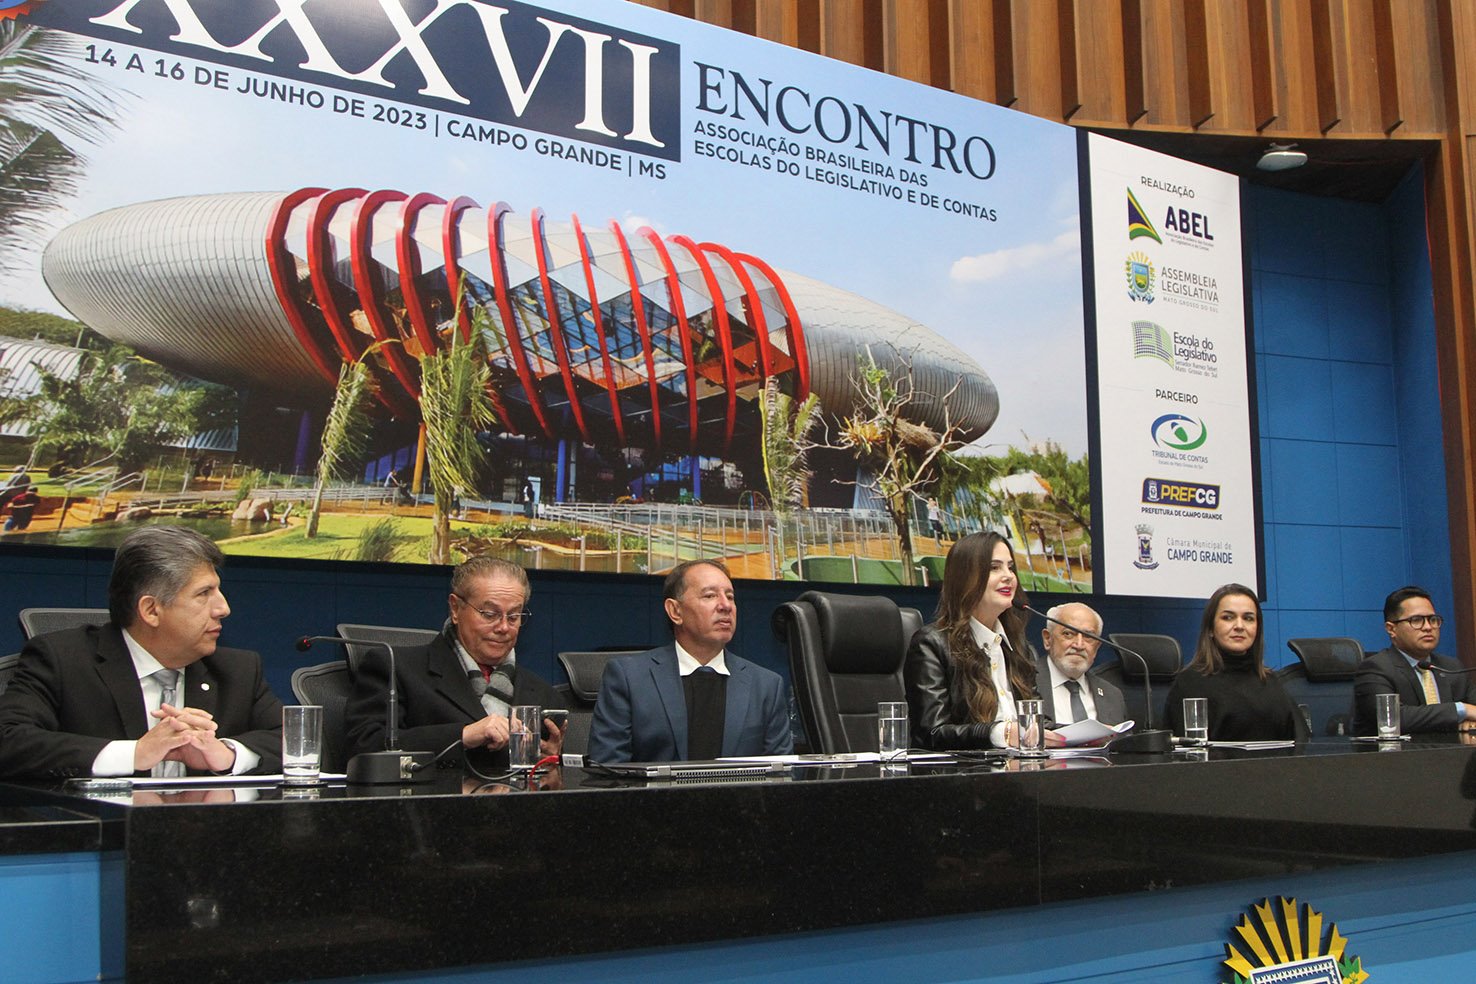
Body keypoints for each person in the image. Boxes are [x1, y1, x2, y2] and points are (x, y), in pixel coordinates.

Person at [0, 526, 283, 778]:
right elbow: (9, 740)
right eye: (203, 593)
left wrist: (228, 754)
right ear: (151, 610)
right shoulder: (63, 660)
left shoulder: (238, 670)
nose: (223, 608)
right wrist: (135, 753)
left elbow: (294, 738)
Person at [344, 557, 565, 770]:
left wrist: (550, 763)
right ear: (455, 609)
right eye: (489, 614)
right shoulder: (395, 668)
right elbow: (363, 747)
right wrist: (463, 735)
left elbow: (554, 783)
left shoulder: (544, 696)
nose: (503, 627)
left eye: (514, 616)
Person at [587, 559, 791, 763]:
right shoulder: (629, 678)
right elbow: (608, 769)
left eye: (730, 596)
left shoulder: (766, 686)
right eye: (710, 595)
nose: (726, 605)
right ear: (675, 611)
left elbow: (782, 773)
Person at [904, 531, 1043, 749]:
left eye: (1010, 567)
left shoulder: (1020, 648)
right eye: (994, 568)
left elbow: (1035, 722)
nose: (1008, 576)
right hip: (967, 769)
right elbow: (931, 734)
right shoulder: (931, 644)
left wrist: (1078, 734)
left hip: (1021, 767)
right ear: (965, 578)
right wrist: (1001, 733)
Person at [1164, 584, 1305, 742]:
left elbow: (1301, 742)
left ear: (1257, 629)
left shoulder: (1271, 682)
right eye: (1228, 617)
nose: (1239, 626)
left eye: (1248, 618)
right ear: (1210, 629)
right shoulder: (1190, 683)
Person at [1353, 585, 1475, 735]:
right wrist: (1462, 710)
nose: (1428, 627)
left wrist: (1471, 720)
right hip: (1397, 750)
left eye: (1433, 620)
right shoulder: (1375, 668)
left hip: (1450, 749)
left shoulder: (1451, 667)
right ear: (1391, 629)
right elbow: (1394, 719)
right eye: (1416, 620)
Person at [1034, 602, 1126, 726]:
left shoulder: (1113, 695)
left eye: (1088, 636)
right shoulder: (1023, 683)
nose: (1079, 645)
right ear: (1047, 639)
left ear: (1097, 647)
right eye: (1068, 634)